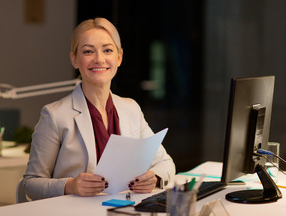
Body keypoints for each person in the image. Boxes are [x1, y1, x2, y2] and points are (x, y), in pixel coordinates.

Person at [23, 18, 176, 200]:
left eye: (108, 50)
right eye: (88, 51)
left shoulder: (131, 109)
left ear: (119, 57)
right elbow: (30, 183)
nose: (99, 59)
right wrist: (69, 186)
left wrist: (154, 177)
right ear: (74, 59)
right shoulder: (55, 115)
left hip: (124, 210)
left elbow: (165, 163)